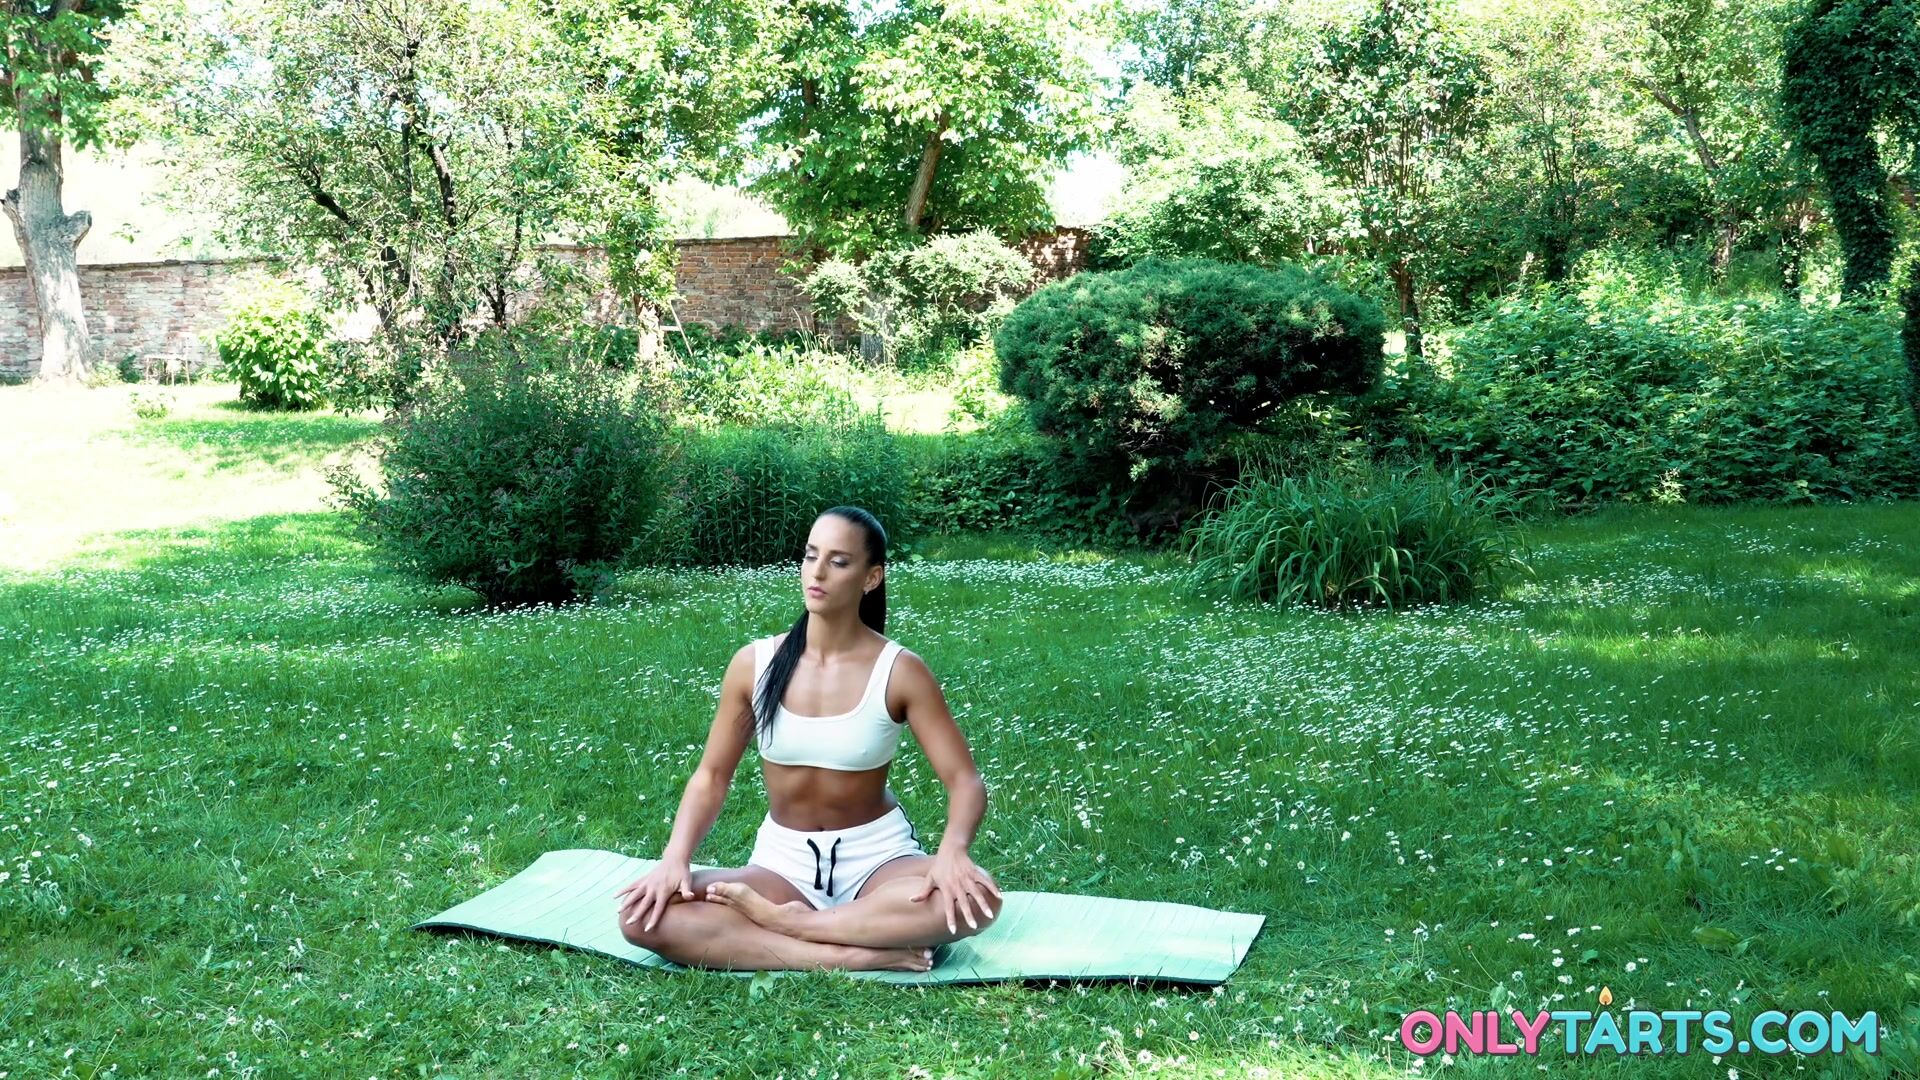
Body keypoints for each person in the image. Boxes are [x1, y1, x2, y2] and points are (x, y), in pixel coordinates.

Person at [614, 506, 1003, 972]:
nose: (817, 572)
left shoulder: (899, 671)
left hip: (878, 860)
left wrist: (952, 852)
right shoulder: (754, 664)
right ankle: (845, 953)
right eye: (810, 555)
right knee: (642, 917)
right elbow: (712, 776)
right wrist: (675, 858)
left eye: (838, 562)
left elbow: (965, 781)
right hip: (784, 866)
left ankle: (794, 926)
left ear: (871, 577)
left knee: (978, 898)